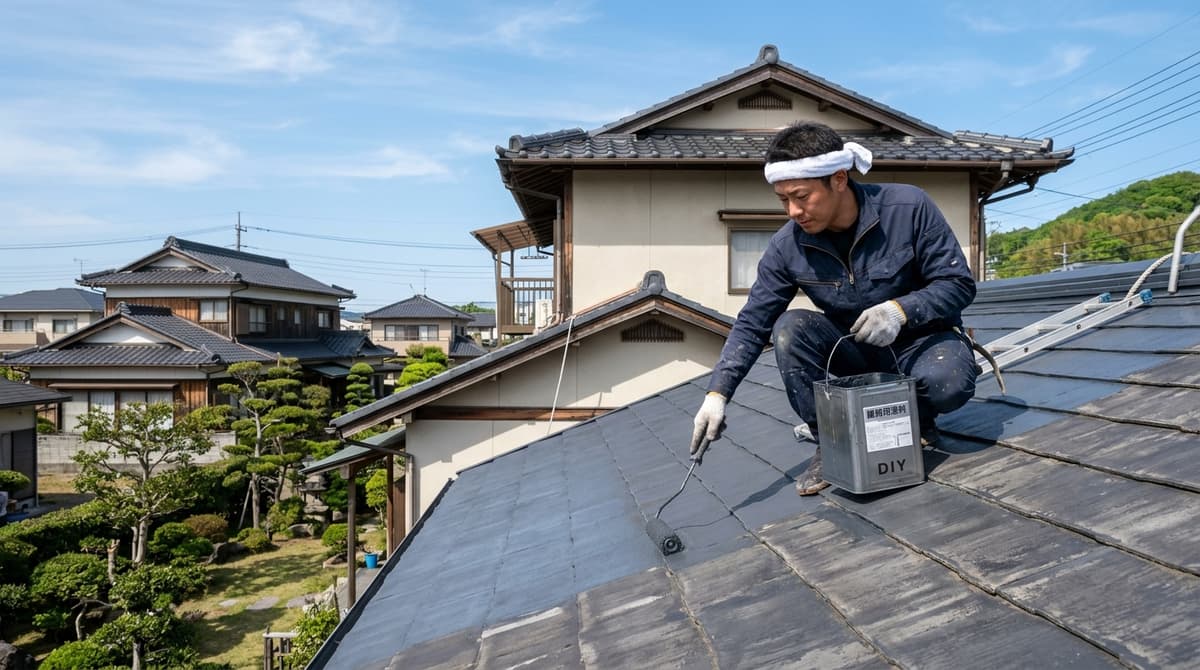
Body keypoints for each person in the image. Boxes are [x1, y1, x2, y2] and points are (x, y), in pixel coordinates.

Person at [691, 121, 978, 495]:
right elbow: (752, 324)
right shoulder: (787, 247)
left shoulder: (908, 208)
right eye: (783, 200)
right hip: (853, 352)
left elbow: (958, 284)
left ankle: (918, 422)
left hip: (921, 344)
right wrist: (717, 395)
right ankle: (832, 441)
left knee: (947, 382)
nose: (793, 211)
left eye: (801, 196)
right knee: (789, 328)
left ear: (839, 179)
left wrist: (899, 310)